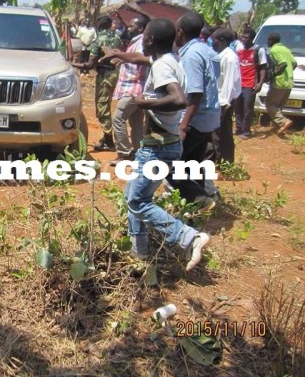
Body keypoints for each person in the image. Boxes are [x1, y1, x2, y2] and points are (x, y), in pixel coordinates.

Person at [125, 18, 210, 271]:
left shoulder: (162, 66)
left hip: (157, 148)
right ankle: (139, 254)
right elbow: (147, 63)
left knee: (138, 201)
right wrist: (119, 54)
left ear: (149, 40)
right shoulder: (172, 61)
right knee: (132, 195)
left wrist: (144, 103)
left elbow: (178, 99)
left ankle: (188, 237)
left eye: (143, 37)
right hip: (164, 143)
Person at [166, 12, 220, 208]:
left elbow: (195, 93)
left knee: (171, 167)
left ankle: (201, 199)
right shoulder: (207, 50)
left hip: (195, 119)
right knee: (193, 165)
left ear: (180, 32)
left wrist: (183, 125)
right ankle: (197, 206)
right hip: (208, 117)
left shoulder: (191, 55)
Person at [102, 16, 151, 166]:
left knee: (118, 118)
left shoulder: (141, 43)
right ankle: (138, 152)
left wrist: (119, 55)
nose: (128, 29)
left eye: (131, 26)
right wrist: (123, 58)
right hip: (136, 89)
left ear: (141, 28)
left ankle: (124, 154)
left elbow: (142, 59)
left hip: (134, 88)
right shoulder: (136, 42)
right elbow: (134, 59)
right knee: (136, 123)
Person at [72, 15, 122, 151]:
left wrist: (72, 63)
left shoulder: (98, 40)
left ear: (98, 26)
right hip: (116, 74)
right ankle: (107, 138)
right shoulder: (117, 37)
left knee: (102, 107)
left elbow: (89, 65)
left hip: (105, 75)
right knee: (106, 104)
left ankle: (109, 141)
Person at [210, 28, 241, 164]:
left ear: (222, 40)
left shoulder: (229, 58)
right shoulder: (221, 55)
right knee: (216, 134)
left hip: (224, 102)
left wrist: (224, 104)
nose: (212, 42)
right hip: (219, 101)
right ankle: (219, 161)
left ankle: (225, 163)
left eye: (214, 40)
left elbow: (229, 83)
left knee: (223, 134)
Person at [235, 27, 267, 139]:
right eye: (242, 37)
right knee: (237, 108)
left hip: (250, 84)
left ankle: (246, 131)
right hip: (238, 83)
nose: (243, 39)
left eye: (246, 37)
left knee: (247, 108)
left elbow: (263, 68)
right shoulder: (238, 48)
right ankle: (238, 128)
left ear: (252, 38)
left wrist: (260, 83)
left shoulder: (259, 50)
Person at [265, 32, 297, 135]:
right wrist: (289, 72)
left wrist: (273, 74)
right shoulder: (286, 49)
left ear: (271, 40)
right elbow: (294, 63)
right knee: (278, 106)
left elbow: (282, 64)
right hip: (289, 82)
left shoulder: (274, 50)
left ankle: (284, 121)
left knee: (269, 103)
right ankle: (279, 126)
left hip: (279, 82)